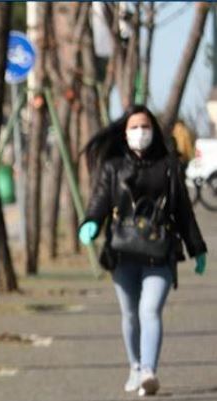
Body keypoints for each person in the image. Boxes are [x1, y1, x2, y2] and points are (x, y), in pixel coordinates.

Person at [78, 105, 208, 397]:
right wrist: (90, 223)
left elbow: (183, 211)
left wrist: (197, 248)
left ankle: (149, 370)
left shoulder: (169, 165)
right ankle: (135, 366)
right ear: (124, 133)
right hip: (122, 252)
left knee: (150, 310)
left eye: (145, 127)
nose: (140, 132)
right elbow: (99, 200)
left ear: (154, 131)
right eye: (134, 127)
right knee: (130, 314)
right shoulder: (113, 167)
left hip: (160, 251)